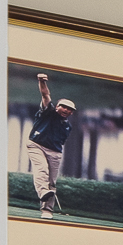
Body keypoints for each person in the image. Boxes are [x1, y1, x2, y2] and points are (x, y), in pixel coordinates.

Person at [25, 72, 78, 219]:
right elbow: (45, 95)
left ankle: (47, 210)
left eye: (70, 110)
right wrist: (42, 81)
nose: (67, 110)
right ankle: (42, 192)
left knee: (52, 182)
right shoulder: (48, 112)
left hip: (55, 152)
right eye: (64, 107)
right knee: (41, 170)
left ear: (72, 113)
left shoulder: (68, 126)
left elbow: (61, 142)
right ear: (57, 107)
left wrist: (56, 154)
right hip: (36, 145)